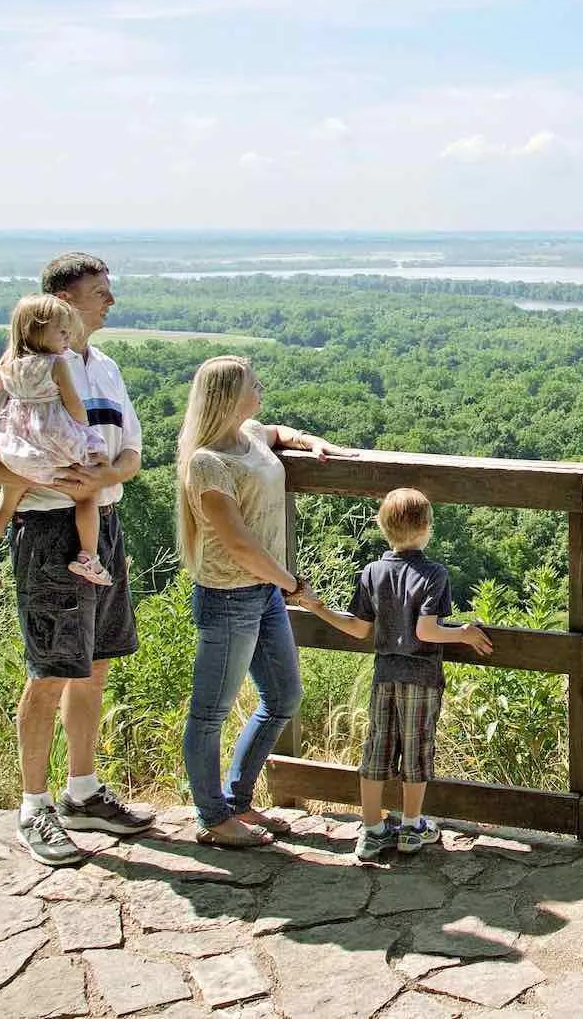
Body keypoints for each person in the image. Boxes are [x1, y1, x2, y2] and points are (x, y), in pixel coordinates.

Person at [0, 252, 155, 866]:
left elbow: (130, 453)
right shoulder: (25, 370)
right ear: (62, 303)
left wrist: (110, 476)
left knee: (94, 664)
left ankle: (82, 790)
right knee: (50, 670)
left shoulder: (106, 366)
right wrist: (62, 483)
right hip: (49, 531)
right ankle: (33, 805)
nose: (111, 301)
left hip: (103, 523)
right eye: (100, 291)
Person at [177, 354, 343, 848]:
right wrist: (293, 585)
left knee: (284, 697)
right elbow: (238, 543)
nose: (261, 389)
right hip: (229, 594)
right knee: (210, 712)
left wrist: (312, 442)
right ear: (230, 396)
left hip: (263, 591)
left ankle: (239, 801)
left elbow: (278, 432)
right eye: (254, 384)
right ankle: (213, 817)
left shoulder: (247, 436)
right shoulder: (208, 461)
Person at [292, 487, 492, 859]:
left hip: (384, 674)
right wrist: (463, 633)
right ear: (427, 528)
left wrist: (316, 606)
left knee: (377, 750)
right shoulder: (434, 574)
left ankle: (371, 830)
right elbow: (426, 631)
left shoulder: (373, 572)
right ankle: (411, 826)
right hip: (421, 677)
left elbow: (358, 628)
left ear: (384, 528)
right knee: (417, 752)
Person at [0, 295, 111, 590]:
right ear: (37, 329)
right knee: (86, 494)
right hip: (54, 443)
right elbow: (74, 406)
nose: (67, 339)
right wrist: (85, 431)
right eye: (62, 332)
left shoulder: (9, 364)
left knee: (5, 504)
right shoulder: (56, 364)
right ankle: (88, 556)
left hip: (18, 448)